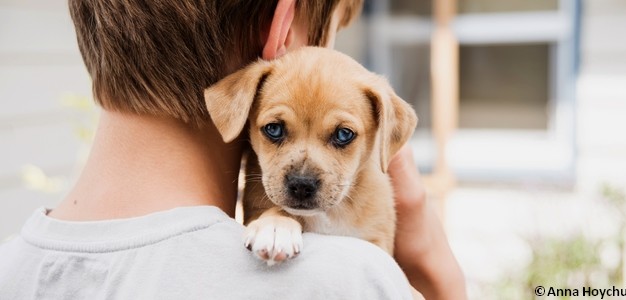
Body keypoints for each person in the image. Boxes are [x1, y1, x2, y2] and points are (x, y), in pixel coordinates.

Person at [0, 0, 466, 299]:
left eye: (341, 135)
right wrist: (440, 283)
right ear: (281, 29)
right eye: (328, 36)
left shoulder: (10, 270)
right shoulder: (350, 281)